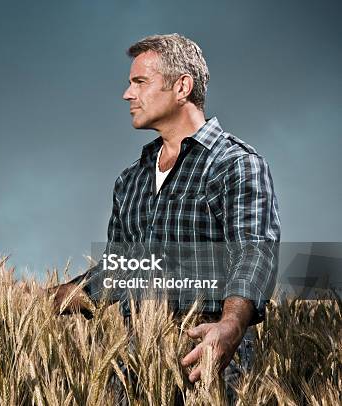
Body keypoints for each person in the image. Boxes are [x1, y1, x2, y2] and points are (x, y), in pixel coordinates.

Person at [50, 33, 280, 397]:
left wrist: (231, 326)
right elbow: (122, 266)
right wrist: (65, 295)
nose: (127, 94)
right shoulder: (131, 179)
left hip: (207, 364)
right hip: (135, 369)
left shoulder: (236, 165)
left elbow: (253, 252)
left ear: (182, 86)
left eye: (140, 82)